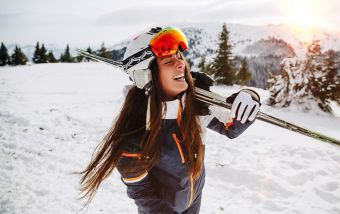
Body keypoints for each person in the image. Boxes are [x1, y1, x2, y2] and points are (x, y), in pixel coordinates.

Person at [79, 26, 261, 214]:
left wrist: (249, 99)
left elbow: (231, 128)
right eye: (167, 61)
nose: (180, 63)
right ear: (147, 76)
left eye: (179, 56)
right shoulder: (134, 134)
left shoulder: (194, 106)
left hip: (193, 200)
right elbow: (142, 194)